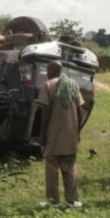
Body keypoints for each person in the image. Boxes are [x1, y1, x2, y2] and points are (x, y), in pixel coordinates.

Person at [37, 61, 84, 208]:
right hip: (71, 133)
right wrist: (78, 131)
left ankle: (53, 201)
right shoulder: (72, 85)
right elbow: (80, 110)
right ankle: (72, 200)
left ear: (50, 71)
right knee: (69, 167)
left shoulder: (48, 85)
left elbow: (44, 111)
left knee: (52, 167)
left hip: (54, 133)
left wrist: (42, 133)